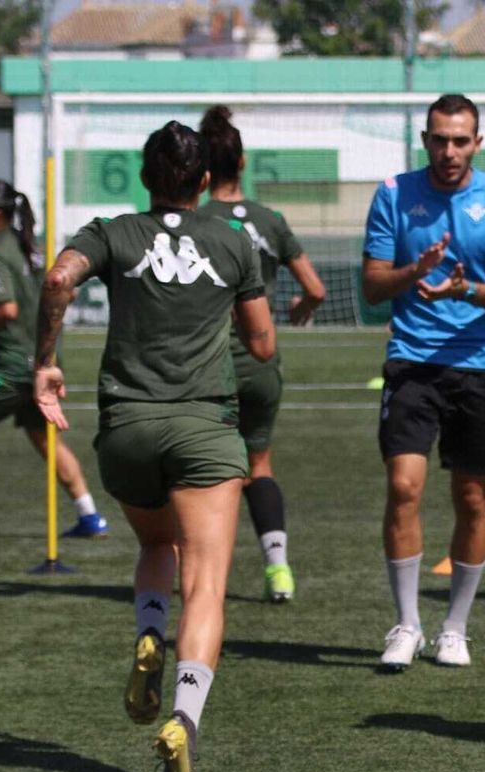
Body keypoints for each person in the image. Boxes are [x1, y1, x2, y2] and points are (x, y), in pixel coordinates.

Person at [33, 121, 274, 772]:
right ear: (206, 180)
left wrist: (46, 362)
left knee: (153, 545)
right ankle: (183, 720)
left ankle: (148, 632)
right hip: (204, 427)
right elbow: (261, 342)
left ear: (144, 177)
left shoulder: (112, 233)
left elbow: (58, 278)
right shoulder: (233, 240)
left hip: (128, 429)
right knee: (205, 584)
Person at [361, 93, 485, 671]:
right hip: (412, 361)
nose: (449, 151)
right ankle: (407, 624)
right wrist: (416, 270)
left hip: (482, 365)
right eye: (440, 139)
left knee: (472, 499)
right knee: (403, 486)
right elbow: (372, 285)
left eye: (461, 140)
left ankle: (454, 628)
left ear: (477, 143)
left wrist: (464, 290)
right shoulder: (393, 193)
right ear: (425, 141)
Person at [197, 105, 327, 603]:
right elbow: (315, 288)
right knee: (259, 464)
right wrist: (299, 308)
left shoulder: (195, 221)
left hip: (209, 366)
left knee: (204, 473)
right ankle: (278, 570)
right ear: (243, 162)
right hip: (261, 363)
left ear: (202, 169)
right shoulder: (270, 220)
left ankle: (205, 578)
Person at [0, 178, 109, 537]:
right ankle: (89, 515)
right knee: (44, 436)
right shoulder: (32, 247)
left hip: (14, 367)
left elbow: (8, 309)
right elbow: (67, 293)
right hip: (47, 361)